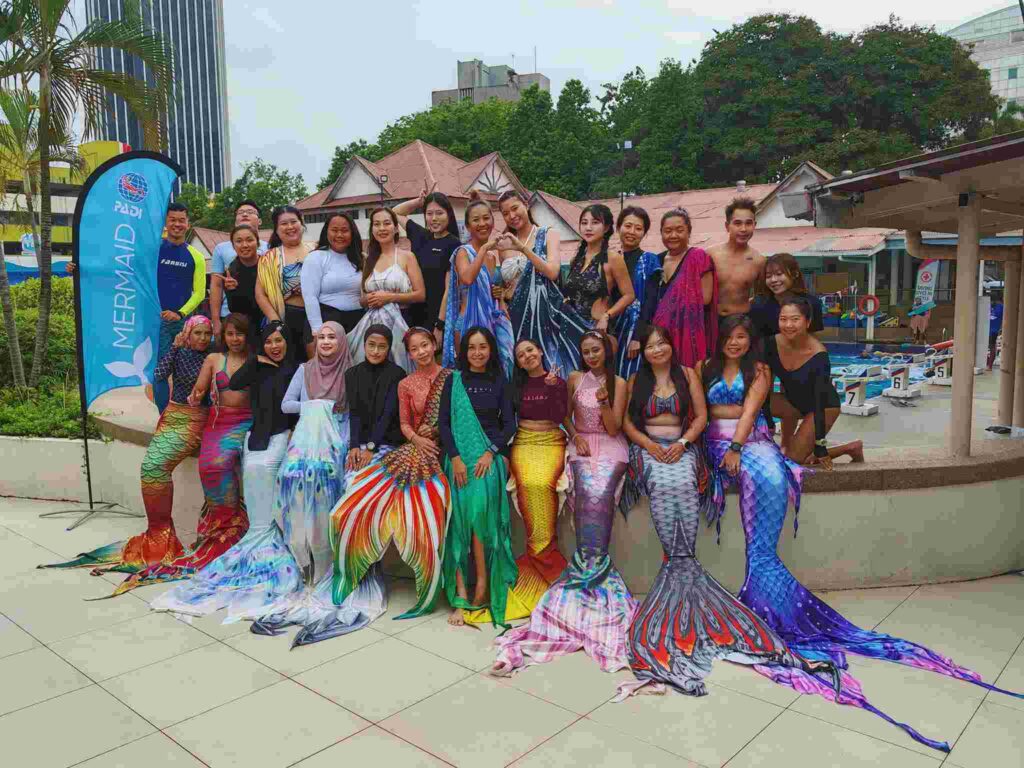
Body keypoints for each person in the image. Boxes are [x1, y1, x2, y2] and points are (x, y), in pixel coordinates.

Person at [704, 315, 1022, 750]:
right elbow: (706, 413)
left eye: (741, 336)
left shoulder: (758, 371)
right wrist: (724, 426)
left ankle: (768, 595)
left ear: (748, 341)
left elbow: (751, 411)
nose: (735, 343)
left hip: (747, 441)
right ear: (719, 341)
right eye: (729, 337)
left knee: (774, 479)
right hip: (714, 445)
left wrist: (738, 442)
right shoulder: (704, 367)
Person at [614, 322, 842, 703]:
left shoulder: (692, 374)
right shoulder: (641, 379)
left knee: (687, 484)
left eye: (662, 344)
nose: (656, 350)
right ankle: (676, 575)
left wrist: (686, 442)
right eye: (651, 345)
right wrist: (650, 448)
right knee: (662, 488)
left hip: (702, 445)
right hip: (653, 449)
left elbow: (700, 416)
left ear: (671, 346)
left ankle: (702, 575)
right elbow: (625, 422)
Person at [493, 331, 635, 675]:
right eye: (586, 351)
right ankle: (573, 569)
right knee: (583, 489)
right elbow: (565, 414)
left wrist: (603, 402)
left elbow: (615, 427)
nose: (591, 356)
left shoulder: (619, 382)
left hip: (611, 445)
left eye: (596, 350)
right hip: (577, 443)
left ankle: (596, 572)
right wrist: (574, 437)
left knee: (601, 494)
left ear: (605, 351)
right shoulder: (572, 378)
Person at [151, 322, 303, 624]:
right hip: (255, 432)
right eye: (269, 341)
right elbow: (235, 382)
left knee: (263, 469)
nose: (275, 346)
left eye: (279, 341)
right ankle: (231, 532)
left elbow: (297, 408)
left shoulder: (297, 369)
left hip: (281, 434)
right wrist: (259, 358)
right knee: (231, 466)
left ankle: (265, 538)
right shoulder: (253, 364)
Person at [42, 316, 214, 575]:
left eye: (207, 333)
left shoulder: (212, 358)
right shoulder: (180, 353)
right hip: (171, 416)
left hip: (195, 420)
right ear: (188, 334)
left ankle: (161, 536)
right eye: (198, 333)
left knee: (155, 466)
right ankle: (160, 534)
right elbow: (158, 374)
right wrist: (176, 348)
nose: (202, 338)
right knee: (149, 468)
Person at [253, 321, 385, 645]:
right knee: (297, 503)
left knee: (329, 503)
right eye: (321, 337)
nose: (326, 342)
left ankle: (328, 568)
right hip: (305, 446)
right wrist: (315, 406)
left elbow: (358, 411)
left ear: (342, 342)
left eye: (332, 337)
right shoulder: (304, 369)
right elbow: (287, 404)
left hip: (336, 444)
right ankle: (304, 567)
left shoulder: (351, 373)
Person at [330, 328, 452, 620]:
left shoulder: (450, 378)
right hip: (407, 447)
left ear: (434, 345)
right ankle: (356, 571)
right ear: (409, 353)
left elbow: (452, 417)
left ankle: (428, 582)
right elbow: (401, 422)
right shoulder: (405, 382)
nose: (421, 352)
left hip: (438, 450)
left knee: (426, 511)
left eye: (425, 346)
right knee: (352, 504)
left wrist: (432, 435)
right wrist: (358, 446)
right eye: (415, 348)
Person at [474, 339, 568, 625]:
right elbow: (509, 422)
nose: (526, 356)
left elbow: (559, 416)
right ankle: (545, 560)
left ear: (540, 352)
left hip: (551, 440)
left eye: (530, 350)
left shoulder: (558, 382)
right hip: (525, 442)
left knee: (543, 483)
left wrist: (552, 388)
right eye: (520, 354)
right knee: (528, 483)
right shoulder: (515, 386)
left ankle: (543, 555)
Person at [438, 326, 517, 627]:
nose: (477, 352)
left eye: (483, 346)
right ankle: (460, 593)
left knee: (479, 518)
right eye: (472, 347)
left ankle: (482, 587)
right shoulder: (453, 381)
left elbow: (509, 425)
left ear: (491, 350)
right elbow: (444, 424)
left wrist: (491, 452)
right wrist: (456, 459)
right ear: (465, 351)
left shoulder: (500, 381)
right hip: (458, 461)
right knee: (457, 521)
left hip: (488, 458)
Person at [497, 189, 590, 375]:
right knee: (524, 368)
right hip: (516, 315)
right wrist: (502, 295)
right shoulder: (503, 244)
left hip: (546, 312)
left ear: (526, 204)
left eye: (515, 208)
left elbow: (552, 272)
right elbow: (509, 284)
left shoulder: (548, 233)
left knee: (551, 363)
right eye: (505, 213)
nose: (512, 216)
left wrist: (523, 249)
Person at [765, 296, 863, 466]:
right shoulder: (770, 344)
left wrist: (820, 445)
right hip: (792, 402)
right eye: (783, 319)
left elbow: (819, 402)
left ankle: (850, 448)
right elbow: (763, 385)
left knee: (793, 460)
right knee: (747, 400)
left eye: (795, 319)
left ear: (808, 322)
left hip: (822, 407)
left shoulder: (819, 356)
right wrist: (768, 420)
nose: (788, 325)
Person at [441, 193, 514, 377]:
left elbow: (491, 289)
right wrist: (482, 249)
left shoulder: (492, 256)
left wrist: (500, 294)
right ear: (467, 226)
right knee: (469, 376)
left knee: (496, 374)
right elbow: (467, 278)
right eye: (476, 220)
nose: (482, 223)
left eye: (486, 218)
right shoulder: (463, 252)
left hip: (492, 321)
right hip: (468, 324)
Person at [347, 208, 426, 372]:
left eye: (386, 223)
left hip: (401, 322)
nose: (382, 228)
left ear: (396, 228)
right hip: (370, 326)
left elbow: (420, 295)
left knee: (399, 370)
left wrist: (389, 297)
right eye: (377, 224)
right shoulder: (368, 259)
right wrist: (370, 299)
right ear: (372, 229)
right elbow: (362, 298)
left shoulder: (407, 257)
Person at [639, 208, 717, 368]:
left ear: (689, 232)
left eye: (679, 230)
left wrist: (673, 310)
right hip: (659, 338)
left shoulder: (698, 257)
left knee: (689, 380)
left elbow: (706, 298)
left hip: (689, 333)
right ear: (661, 233)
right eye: (668, 231)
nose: (673, 235)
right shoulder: (655, 261)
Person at [153, 202, 207, 413]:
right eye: (172, 220)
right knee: (158, 374)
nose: (177, 224)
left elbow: (200, 293)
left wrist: (180, 313)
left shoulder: (196, 256)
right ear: (166, 223)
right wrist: (79, 266)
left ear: (188, 223)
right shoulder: (154, 250)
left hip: (182, 324)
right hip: (154, 322)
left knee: (185, 374)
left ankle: (184, 418)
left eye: (181, 220)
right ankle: (163, 417)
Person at [392, 184, 462, 332]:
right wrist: (418, 202)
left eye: (439, 213)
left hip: (438, 317)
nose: (434, 218)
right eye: (429, 213)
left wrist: (440, 324)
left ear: (449, 215)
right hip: (413, 313)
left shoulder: (454, 244)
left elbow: (450, 289)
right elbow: (395, 212)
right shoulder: (420, 235)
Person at [256, 205, 315, 363]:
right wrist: (276, 322)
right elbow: (260, 294)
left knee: (315, 365)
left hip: (317, 316)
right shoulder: (269, 257)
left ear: (301, 223)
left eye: (293, 222)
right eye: (283, 224)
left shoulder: (317, 250)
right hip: (285, 317)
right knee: (289, 365)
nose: (290, 227)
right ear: (276, 229)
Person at [561, 204, 634, 332]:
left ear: (606, 228)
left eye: (595, 223)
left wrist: (607, 316)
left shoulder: (613, 258)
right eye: (584, 223)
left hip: (595, 329)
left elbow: (629, 295)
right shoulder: (576, 260)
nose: (588, 228)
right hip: (570, 327)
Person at [345, 325, 407, 473]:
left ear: (389, 348)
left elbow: (388, 413)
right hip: (360, 442)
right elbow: (354, 413)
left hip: (387, 442)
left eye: (382, 347)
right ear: (364, 344)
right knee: (351, 479)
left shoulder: (397, 374)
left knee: (374, 481)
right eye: (371, 345)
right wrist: (354, 445)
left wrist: (371, 447)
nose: (375, 351)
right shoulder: (352, 374)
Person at [302, 213, 365, 345]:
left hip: (358, 323)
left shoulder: (362, 259)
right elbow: (310, 296)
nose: (339, 235)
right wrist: (317, 330)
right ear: (326, 232)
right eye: (334, 230)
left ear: (352, 233)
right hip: (327, 322)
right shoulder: (316, 257)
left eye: (344, 230)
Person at [210, 200, 268, 338]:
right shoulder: (220, 248)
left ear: (259, 221)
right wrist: (216, 320)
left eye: (250, 212)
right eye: (241, 212)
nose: (245, 214)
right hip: (230, 314)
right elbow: (216, 285)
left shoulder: (270, 248)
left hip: (264, 315)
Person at [616, 206, 661, 379]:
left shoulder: (649, 260)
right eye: (628, 226)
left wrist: (637, 337)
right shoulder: (609, 258)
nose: (632, 232)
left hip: (633, 333)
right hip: (609, 331)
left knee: (630, 380)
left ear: (644, 233)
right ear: (618, 227)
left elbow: (650, 302)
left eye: (638, 228)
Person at [707, 196, 765, 317]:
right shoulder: (710, 254)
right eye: (737, 223)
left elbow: (762, 296)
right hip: (711, 321)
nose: (743, 229)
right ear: (727, 226)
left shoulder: (759, 260)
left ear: (755, 225)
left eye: (748, 223)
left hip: (742, 321)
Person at [749, 252, 824, 338]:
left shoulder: (812, 303)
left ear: (795, 274)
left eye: (779, 274)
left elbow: (814, 338)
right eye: (768, 276)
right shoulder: (757, 305)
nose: (773, 280)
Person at [220, 224, 266, 340]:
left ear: (258, 242)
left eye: (249, 240)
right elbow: (236, 311)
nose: (245, 245)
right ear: (234, 246)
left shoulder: (268, 264)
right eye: (239, 241)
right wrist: (233, 291)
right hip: (247, 331)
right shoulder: (231, 273)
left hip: (272, 324)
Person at [988, 293, 1004, 370]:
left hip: (992, 331)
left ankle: (990, 365)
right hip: (989, 330)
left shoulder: (1001, 307)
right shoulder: (990, 306)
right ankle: (989, 365)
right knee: (991, 347)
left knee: (992, 347)